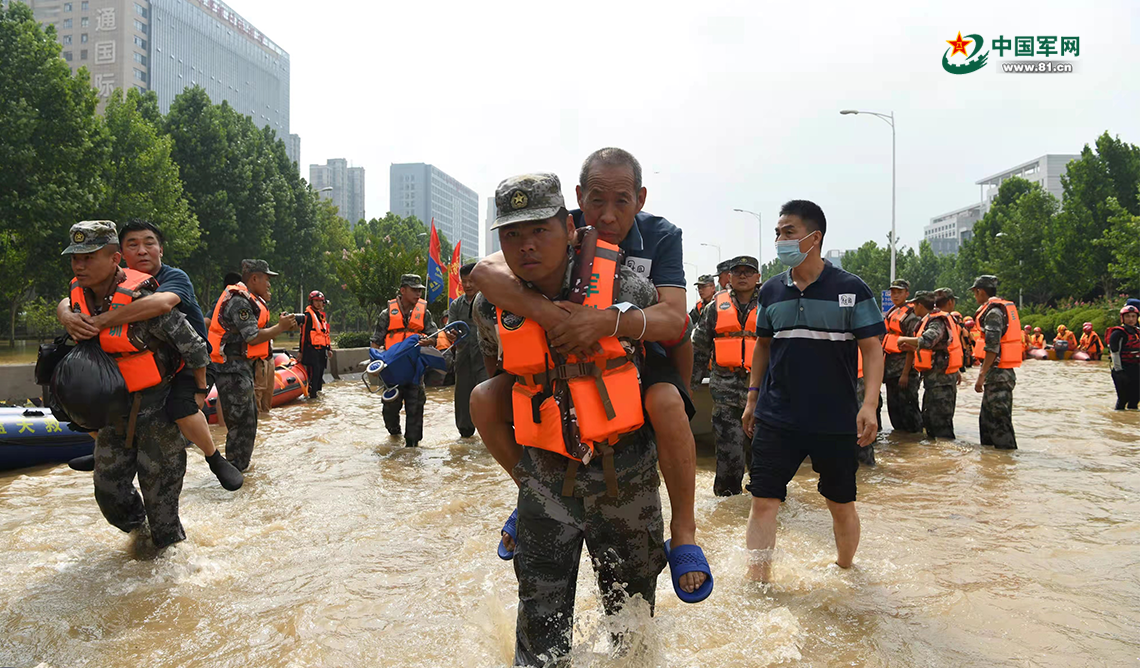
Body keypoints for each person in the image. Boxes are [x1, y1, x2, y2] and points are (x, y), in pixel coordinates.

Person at [473, 173, 692, 666]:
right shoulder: (489, 305)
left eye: (540, 231)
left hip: (626, 475)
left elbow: (674, 337)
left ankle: (686, 534)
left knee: (632, 632)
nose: (526, 245)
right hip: (547, 477)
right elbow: (501, 374)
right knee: (540, 637)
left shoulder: (627, 287)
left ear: (569, 228)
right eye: (512, 234)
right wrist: (529, 477)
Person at [741, 200, 885, 582]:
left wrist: (869, 405)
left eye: (788, 232)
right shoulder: (771, 291)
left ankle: (846, 573)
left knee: (840, 503)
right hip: (777, 415)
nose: (780, 240)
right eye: (778, 233)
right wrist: (752, 397)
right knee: (763, 501)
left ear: (813, 237)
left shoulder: (851, 289)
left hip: (834, 418)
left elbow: (872, 349)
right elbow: (762, 346)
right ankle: (758, 585)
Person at [55, 219, 242, 490]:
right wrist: (65, 315)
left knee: (181, 406)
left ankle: (214, 458)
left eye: (149, 243)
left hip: (188, 360)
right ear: (119, 256)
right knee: (85, 393)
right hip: (136, 359)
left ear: (161, 250)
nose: (142, 251)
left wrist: (201, 389)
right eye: (133, 245)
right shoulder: (111, 281)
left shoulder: (174, 277)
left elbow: (161, 303)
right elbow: (70, 298)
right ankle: (103, 452)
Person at [61, 221, 210, 550]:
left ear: (114, 260)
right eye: (76, 259)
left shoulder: (145, 298)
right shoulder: (79, 299)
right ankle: (140, 536)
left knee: (163, 512)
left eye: (89, 258)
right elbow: (66, 315)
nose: (80, 265)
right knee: (108, 493)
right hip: (114, 412)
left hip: (158, 410)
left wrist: (198, 390)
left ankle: (170, 570)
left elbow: (195, 347)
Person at [207, 259, 297, 471]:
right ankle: (235, 468)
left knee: (248, 419)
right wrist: (280, 327)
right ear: (254, 278)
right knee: (241, 422)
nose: (269, 284)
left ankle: (240, 468)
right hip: (231, 370)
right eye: (266, 279)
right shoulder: (239, 301)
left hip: (241, 368)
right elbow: (252, 337)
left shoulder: (248, 299)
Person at [691, 256, 760, 496]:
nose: (742, 276)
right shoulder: (714, 309)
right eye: (737, 272)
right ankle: (728, 508)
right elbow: (699, 349)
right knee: (729, 458)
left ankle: (764, 507)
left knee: (764, 460)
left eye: (748, 271)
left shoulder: (771, 306)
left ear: (757, 277)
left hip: (762, 395)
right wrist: (690, 385)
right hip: (726, 395)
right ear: (728, 277)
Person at [370, 273, 439, 448]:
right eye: (414, 290)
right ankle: (394, 434)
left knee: (415, 408)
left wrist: (429, 341)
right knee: (390, 408)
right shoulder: (386, 315)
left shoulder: (425, 314)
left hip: (415, 370)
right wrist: (377, 368)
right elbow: (376, 343)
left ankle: (412, 447)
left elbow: (435, 337)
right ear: (403, 290)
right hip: (392, 371)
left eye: (420, 291)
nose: (418, 294)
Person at [898, 289, 962, 439]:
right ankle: (936, 458)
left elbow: (927, 340)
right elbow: (939, 348)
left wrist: (903, 340)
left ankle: (946, 459)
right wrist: (912, 347)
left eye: (914, 305)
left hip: (941, 382)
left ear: (920, 305)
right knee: (930, 422)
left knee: (940, 426)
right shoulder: (930, 319)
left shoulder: (937, 321)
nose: (913, 308)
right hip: (935, 381)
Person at [970, 275, 1021, 449]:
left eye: (975, 293)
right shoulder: (995, 310)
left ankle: (1006, 467)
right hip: (996, 376)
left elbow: (992, 346)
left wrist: (981, 375)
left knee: (1000, 426)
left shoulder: (993, 313)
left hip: (999, 375)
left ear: (980, 291)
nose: (975, 297)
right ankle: (992, 468)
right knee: (987, 424)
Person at [445, 263, 487, 438]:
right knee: (462, 395)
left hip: (485, 357)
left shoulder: (488, 302)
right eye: (464, 282)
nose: (468, 285)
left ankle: (490, 432)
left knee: (487, 394)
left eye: (471, 281)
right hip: (463, 356)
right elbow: (449, 327)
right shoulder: (456, 305)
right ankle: (465, 432)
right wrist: (451, 334)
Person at [881, 279, 922, 434]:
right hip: (891, 372)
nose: (895, 295)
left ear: (907, 293)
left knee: (909, 412)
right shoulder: (892, 312)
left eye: (899, 292)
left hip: (905, 373)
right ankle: (900, 444)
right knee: (895, 411)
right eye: (893, 292)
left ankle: (915, 444)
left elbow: (912, 347)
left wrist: (905, 373)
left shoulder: (911, 316)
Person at [299, 290, 332, 399]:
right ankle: (311, 398)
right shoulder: (308, 315)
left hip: (322, 351)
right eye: (316, 301)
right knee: (314, 375)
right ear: (311, 302)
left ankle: (317, 397)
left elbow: (325, 334)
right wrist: (301, 352)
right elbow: (303, 335)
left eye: (321, 301)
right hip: (311, 351)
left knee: (320, 375)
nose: (319, 303)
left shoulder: (321, 316)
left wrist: (329, 348)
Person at [1109, 305, 1140, 409]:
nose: (1131, 319)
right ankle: (1118, 420)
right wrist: (1119, 371)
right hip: (1122, 370)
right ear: (1122, 318)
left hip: (1136, 369)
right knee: (1123, 398)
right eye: (1128, 316)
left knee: (1135, 398)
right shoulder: (1118, 333)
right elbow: (1115, 353)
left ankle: (1130, 421)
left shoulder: (1138, 332)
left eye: (1133, 316)